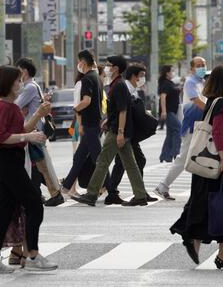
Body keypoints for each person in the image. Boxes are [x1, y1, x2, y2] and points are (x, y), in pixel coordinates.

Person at [0, 65, 57, 273]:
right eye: (17, 80)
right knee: (34, 204)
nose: (20, 83)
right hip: (9, 163)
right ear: (8, 83)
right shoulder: (5, 107)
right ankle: (31, 254)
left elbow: (20, 130)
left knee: (3, 211)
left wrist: (39, 114)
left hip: (10, 162)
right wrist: (28, 137)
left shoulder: (8, 106)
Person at [170, 65, 223, 269]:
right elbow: (219, 133)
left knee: (204, 202)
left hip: (205, 162)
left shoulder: (213, 101)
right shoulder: (222, 103)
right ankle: (222, 254)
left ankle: (193, 240)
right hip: (217, 163)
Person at [72, 55, 149, 207]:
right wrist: (109, 120)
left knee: (102, 161)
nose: (106, 67)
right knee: (130, 163)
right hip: (119, 129)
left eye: (108, 64)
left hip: (117, 131)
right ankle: (140, 195)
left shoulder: (119, 85)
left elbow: (123, 111)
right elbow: (117, 110)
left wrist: (120, 132)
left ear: (116, 68)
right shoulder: (116, 84)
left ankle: (91, 194)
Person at [154, 57, 207, 200]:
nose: (201, 67)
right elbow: (197, 101)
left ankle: (200, 190)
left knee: (199, 158)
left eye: (203, 65)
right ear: (191, 68)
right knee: (183, 159)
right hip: (191, 125)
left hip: (200, 125)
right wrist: (213, 110)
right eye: (198, 65)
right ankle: (163, 186)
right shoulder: (190, 82)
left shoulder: (201, 82)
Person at [104, 64, 157, 205]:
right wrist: (119, 130)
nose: (143, 78)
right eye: (142, 75)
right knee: (124, 162)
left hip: (129, 131)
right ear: (134, 76)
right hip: (124, 131)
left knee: (128, 161)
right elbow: (120, 110)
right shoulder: (124, 87)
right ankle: (117, 192)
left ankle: (125, 192)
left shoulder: (133, 89)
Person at [15, 58, 64, 207]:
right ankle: (41, 193)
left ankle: (54, 193)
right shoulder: (33, 85)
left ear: (24, 71)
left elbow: (16, 105)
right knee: (36, 164)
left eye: (19, 70)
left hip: (33, 129)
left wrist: (21, 108)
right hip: (34, 129)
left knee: (40, 163)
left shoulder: (30, 87)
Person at [61, 51, 109, 196]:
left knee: (98, 159)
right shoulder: (97, 78)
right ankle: (65, 188)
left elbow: (86, 101)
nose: (78, 65)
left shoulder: (87, 79)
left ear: (83, 62)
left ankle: (110, 187)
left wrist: (76, 109)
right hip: (95, 122)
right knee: (79, 158)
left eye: (79, 61)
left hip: (90, 124)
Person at [158, 65, 182, 163]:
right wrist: (164, 111)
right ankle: (175, 152)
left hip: (172, 111)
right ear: (167, 73)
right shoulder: (166, 84)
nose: (173, 72)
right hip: (168, 112)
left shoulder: (169, 83)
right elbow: (163, 97)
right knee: (178, 129)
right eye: (172, 71)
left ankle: (165, 156)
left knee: (170, 133)